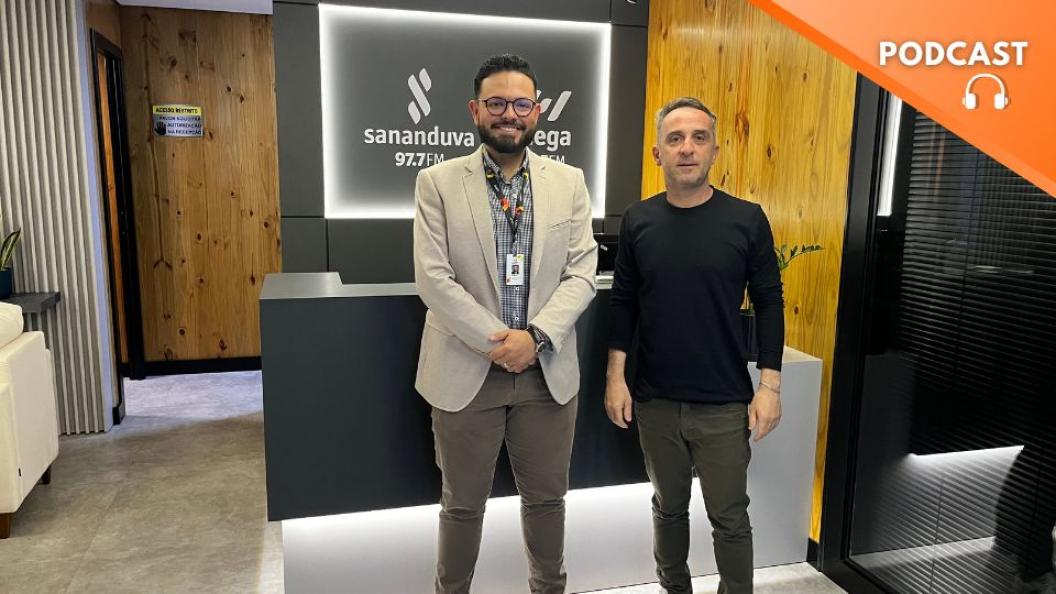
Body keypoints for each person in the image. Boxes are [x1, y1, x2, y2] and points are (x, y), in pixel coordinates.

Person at [413, 53, 598, 594]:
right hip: (465, 373)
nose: (509, 114)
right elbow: (433, 278)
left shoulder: (568, 182)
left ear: (537, 112)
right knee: (462, 506)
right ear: (476, 110)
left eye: (520, 104)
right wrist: (499, 343)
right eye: (496, 103)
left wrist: (534, 339)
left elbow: (582, 272)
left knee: (547, 502)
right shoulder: (437, 182)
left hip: (546, 374)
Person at [604, 97, 785, 594]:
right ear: (658, 153)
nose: (687, 148)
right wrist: (615, 378)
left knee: (730, 518)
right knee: (668, 509)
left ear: (714, 150)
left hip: (723, 403)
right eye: (676, 138)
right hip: (655, 400)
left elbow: (770, 302)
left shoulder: (746, 220)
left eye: (699, 138)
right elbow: (623, 303)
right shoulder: (638, 220)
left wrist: (769, 386)